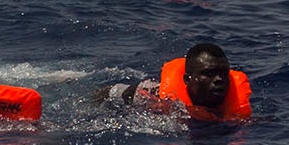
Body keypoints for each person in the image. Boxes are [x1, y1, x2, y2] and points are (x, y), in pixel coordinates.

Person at [96, 41, 251, 121]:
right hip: (117, 94)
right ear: (187, 79)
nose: (218, 80)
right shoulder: (158, 99)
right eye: (208, 74)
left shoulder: (235, 103)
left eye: (223, 73)